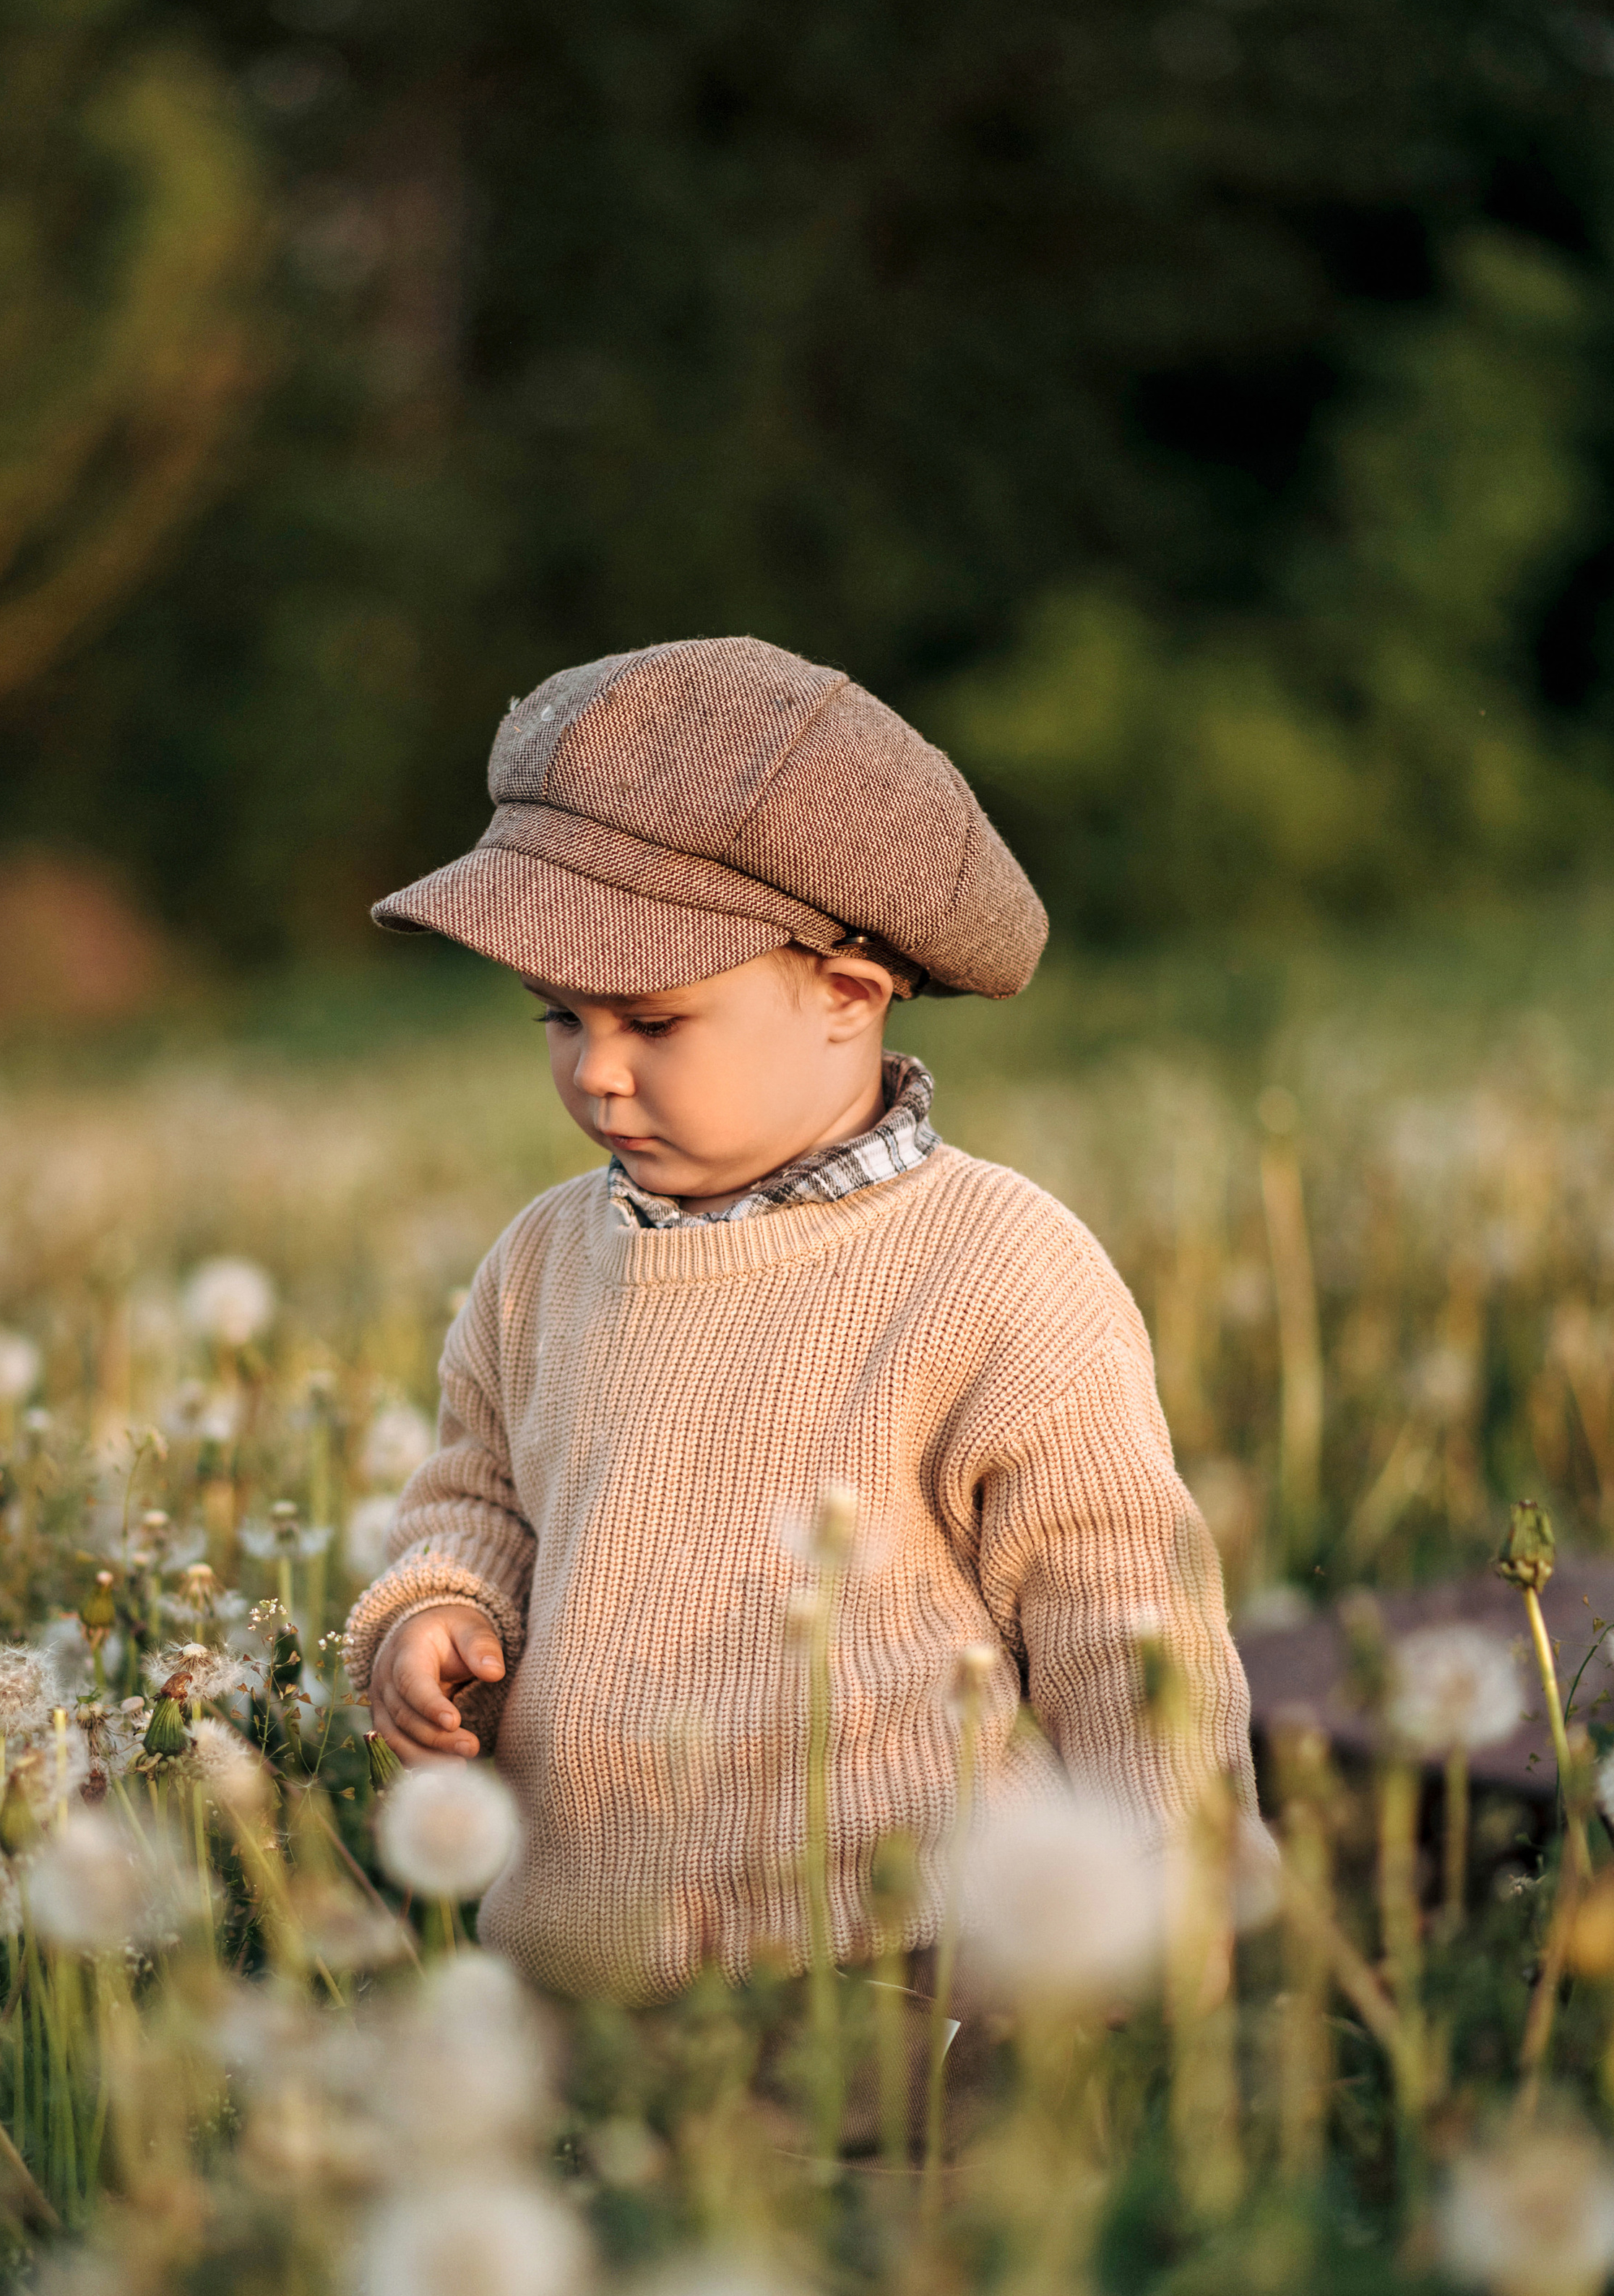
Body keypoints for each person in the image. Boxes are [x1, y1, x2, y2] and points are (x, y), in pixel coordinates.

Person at [348, 635, 1259, 2005]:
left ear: (847, 994)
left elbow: (1121, 1624)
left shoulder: (998, 1266)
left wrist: (1183, 1927)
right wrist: (436, 1607)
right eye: (558, 1015)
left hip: (922, 1965)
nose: (596, 1070)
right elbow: (480, 1494)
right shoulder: (539, 1262)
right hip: (586, 1976)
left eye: (655, 1020)